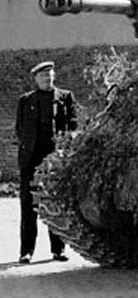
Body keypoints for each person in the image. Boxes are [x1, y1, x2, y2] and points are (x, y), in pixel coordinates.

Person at [16, 61, 77, 264]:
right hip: (31, 159)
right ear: (35, 78)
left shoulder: (65, 97)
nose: (47, 79)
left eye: (50, 75)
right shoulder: (25, 101)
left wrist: (65, 151)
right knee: (28, 205)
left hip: (55, 158)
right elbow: (20, 129)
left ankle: (58, 250)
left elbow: (72, 126)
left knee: (56, 202)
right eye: (43, 76)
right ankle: (26, 251)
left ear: (54, 76)